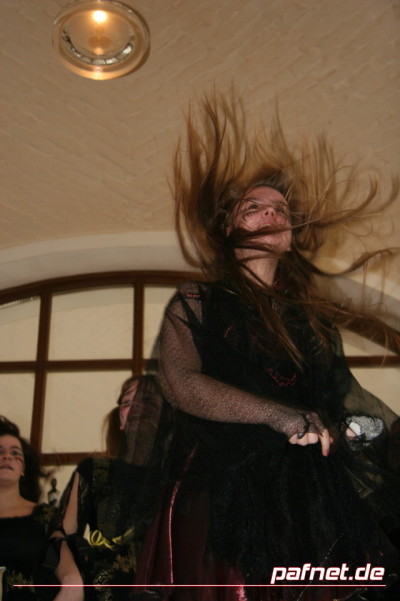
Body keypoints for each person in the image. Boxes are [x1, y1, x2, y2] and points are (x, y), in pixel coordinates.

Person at [134, 95, 400, 601]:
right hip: (222, 490)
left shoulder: (313, 322)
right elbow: (181, 382)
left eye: (280, 210)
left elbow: (339, 397)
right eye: (253, 208)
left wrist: (358, 427)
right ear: (230, 227)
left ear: (291, 238)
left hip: (308, 494)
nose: (270, 214)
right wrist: (278, 415)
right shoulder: (198, 299)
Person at [59, 374, 167, 601]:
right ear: (121, 420)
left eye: (147, 400)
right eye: (127, 401)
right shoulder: (93, 470)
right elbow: (62, 535)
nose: (136, 407)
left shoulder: (178, 477)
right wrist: (71, 577)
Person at [0, 416, 83, 601]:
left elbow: (72, 583)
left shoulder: (47, 516)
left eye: (15, 453)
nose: (7, 456)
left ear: (23, 468)